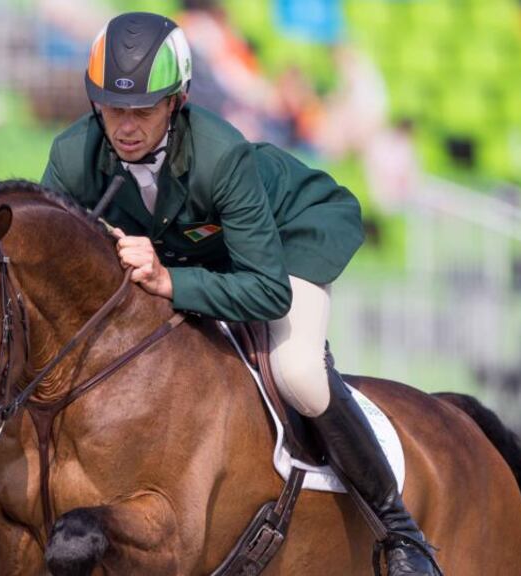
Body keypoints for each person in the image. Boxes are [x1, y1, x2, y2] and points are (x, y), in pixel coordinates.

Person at [41, 12, 436, 575]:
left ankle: (401, 532)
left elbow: (267, 291)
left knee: (297, 369)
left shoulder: (219, 154)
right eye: (111, 108)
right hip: (196, 251)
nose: (125, 126)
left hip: (287, 239)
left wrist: (169, 281)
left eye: (143, 109)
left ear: (176, 101)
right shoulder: (73, 155)